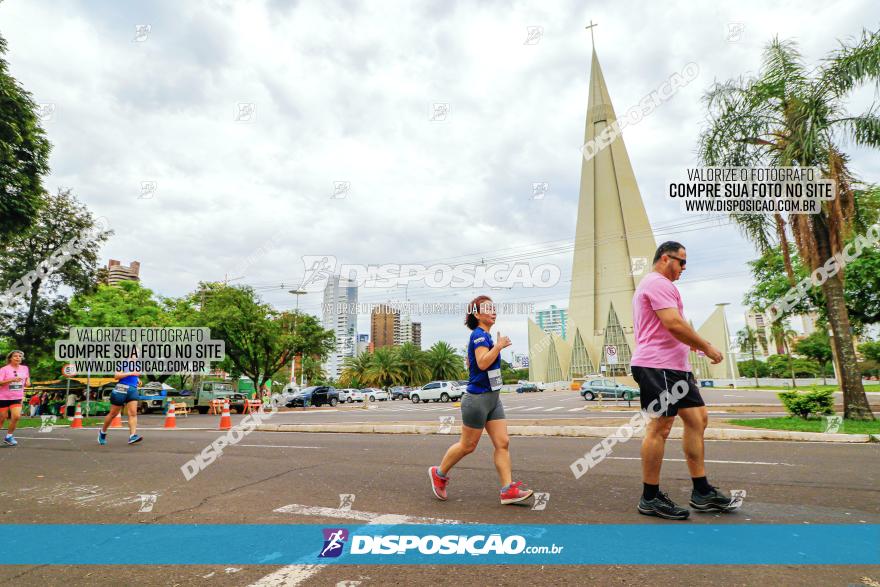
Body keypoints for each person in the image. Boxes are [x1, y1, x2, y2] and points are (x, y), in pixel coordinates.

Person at [630, 241, 737, 520]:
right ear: (666, 258)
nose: (684, 269)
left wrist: (694, 346)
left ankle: (701, 492)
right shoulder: (656, 283)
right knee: (660, 428)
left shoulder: (665, 286)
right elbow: (674, 324)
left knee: (697, 419)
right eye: (682, 262)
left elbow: (674, 327)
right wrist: (707, 347)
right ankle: (649, 498)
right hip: (656, 366)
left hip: (676, 368)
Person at [429, 295, 534, 505]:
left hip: (493, 399)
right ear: (477, 315)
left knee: (503, 442)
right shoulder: (479, 335)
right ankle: (439, 474)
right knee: (468, 446)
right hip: (477, 400)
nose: (493, 311)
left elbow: (479, 364)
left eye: (494, 308)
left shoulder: (486, 337)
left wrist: (495, 346)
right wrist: (499, 346)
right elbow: (483, 362)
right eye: (488, 308)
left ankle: (507, 490)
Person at [99, 358, 142, 445]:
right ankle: (102, 432)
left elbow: (134, 376)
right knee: (113, 414)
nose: (136, 356)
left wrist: (137, 380)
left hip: (133, 390)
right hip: (121, 388)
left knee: (133, 413)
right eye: (134, 353)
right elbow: (116, 376)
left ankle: (132, 436)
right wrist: (130, 373)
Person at [0, 350, 30, 446]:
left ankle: (9, 436)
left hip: (17, 397)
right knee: (2, 418)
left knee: (16, 416)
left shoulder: (25, 368)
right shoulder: (4, 369)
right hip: (3, 397)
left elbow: (27, 378)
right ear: (10, 358)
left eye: (20, 356)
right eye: (15, 356)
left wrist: (28, 382)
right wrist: (12, 379)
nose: (18, 358)